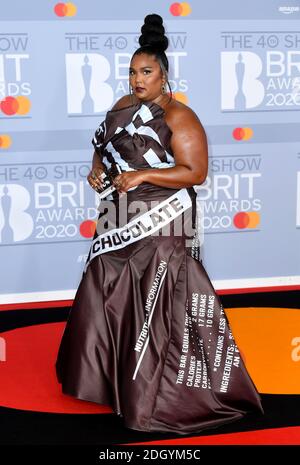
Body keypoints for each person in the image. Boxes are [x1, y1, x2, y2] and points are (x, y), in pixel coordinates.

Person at [55, 13, 263, 435]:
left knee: (154, 295)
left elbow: (195, 172)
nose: (137, 79)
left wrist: (145, 175)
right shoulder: (121, 108)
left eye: (146, 72)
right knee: (104, 280)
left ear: (163, 75)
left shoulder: (180, 116)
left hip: (165, 218)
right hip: (119, 214)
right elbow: (101, 148)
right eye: (132, 72)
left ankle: (156, 393)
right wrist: (96, 171)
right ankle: (107, 381)